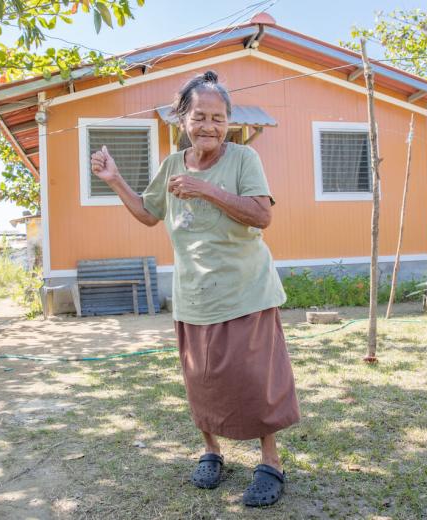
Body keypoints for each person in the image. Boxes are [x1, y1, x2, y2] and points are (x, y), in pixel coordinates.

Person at [90, 70, 300, 507]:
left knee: (253, 378)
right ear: (182, 119)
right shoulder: (171, 164)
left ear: (229, 122)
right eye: (200, 116)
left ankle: (270, 461)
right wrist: (113, 179)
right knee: (200, 380)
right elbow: (149, 214)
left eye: (219, 118)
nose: (209, 125)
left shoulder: (243, 159)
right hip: (193, 294)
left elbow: (261, 216)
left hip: (246, 290)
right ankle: (212, 451)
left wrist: (205, 190)